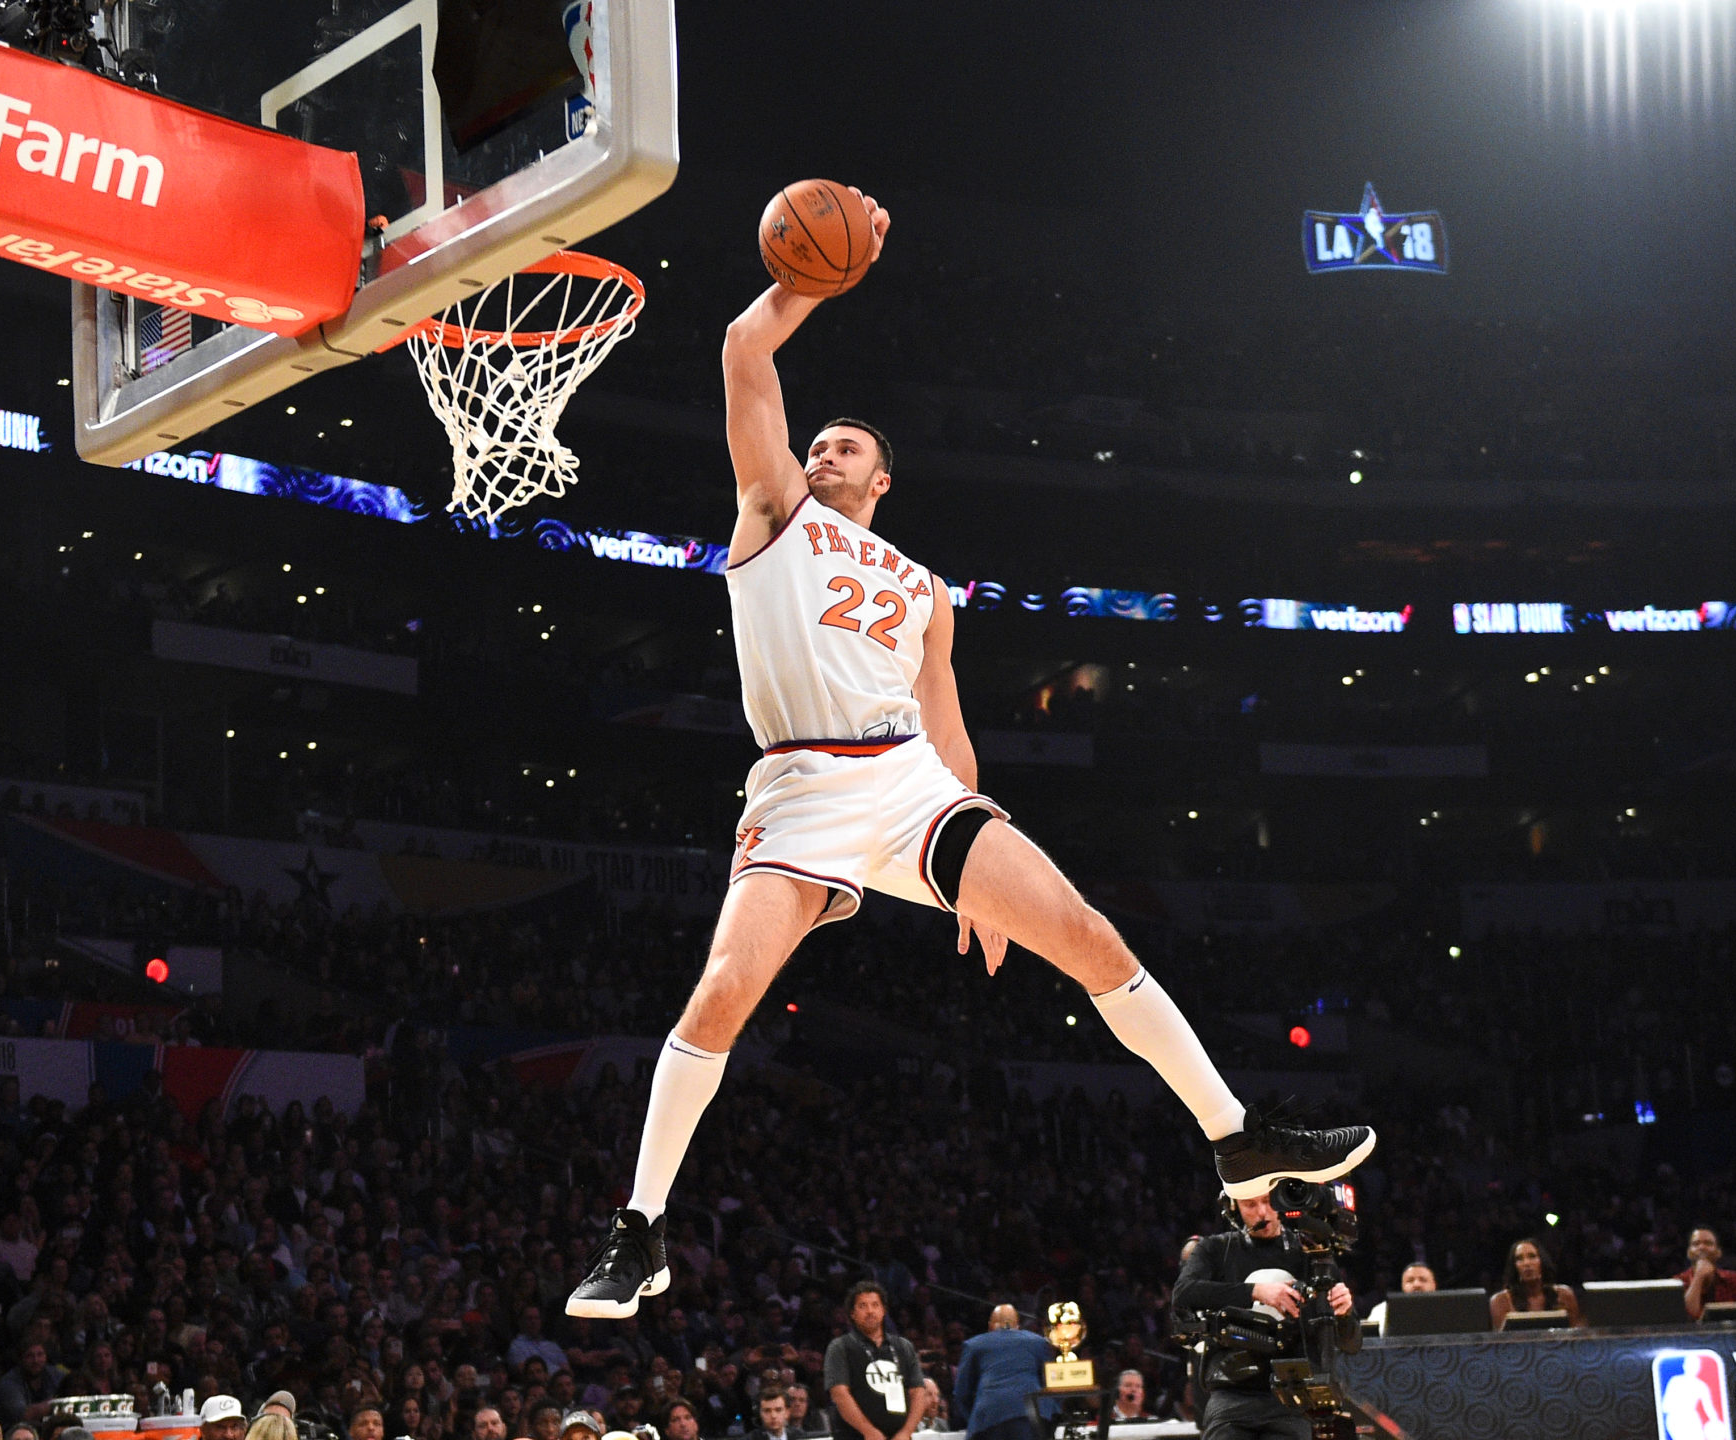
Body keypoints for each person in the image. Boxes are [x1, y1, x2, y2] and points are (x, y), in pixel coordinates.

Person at [566, 185, 1375, 1320]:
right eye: (814, 442)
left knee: (1090, 937)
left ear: (880, 480)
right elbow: (744, 343)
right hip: (799, 790)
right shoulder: (770, 515)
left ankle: (1239, 1140)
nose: (820, 450)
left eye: (842, 446)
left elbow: (944, 725)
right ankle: (640, 1230)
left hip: (910, 788)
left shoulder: (925, 589)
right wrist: (822, 275)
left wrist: (972, 872)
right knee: (719, 998)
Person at [1172, 1193, 1354, 1440]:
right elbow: (1184, 1294)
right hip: (1232, 1394)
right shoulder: (1215, 1248)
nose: (1262, 1213)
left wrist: (1344, 1313)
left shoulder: (1313, 1253)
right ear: (1234, 1206)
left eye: (1269, 1202)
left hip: (1291, 1398)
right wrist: (1255, 1291)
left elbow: (1351, 1343)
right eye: (1250, 1204)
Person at [823, 1283, 924, 1440]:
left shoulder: (903, 1346)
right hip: (856, 1436)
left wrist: (906, 1432)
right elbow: (839, 1394)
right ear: (852, 1313)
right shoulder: (840, 1347)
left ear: (883, 1311)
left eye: (875, 1305)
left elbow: (918, 1392)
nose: (870, 1311)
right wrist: (869, 1431)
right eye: (862, 1306)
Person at [949, 1305, 1048, 1440]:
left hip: (988, 1416)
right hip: (1030, 1414)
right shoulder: (1038, 1342)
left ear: (990, 1326)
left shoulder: (974, 1345)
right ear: (1018, 1326)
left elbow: (961, 1393)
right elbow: (1050, 1384)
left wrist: (975, 1418)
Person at [1488, 1240, 1581, 1330]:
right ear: (1514, 1266)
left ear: (1542, 1261)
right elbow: (1500, 1342)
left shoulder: (1564, 1295)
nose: (1527, 1263)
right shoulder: (1500, 1301)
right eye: (1519, 1259)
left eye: (1532, 1256)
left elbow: (1576, 1336)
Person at [1675, 1229, 1736, 1321]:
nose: (1701, 1247)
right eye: (1696, 1244)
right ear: (1689, 1253)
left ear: (1718, 1252)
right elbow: (1685, 1319)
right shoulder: (1677, 1283)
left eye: (1708, 1243)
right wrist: (1699, 1277)